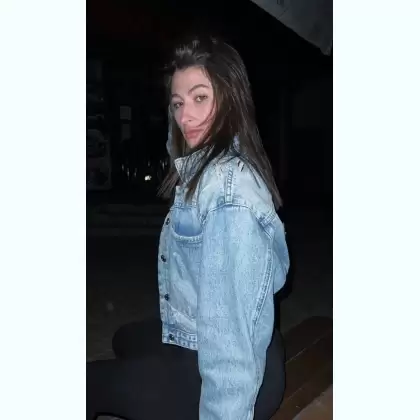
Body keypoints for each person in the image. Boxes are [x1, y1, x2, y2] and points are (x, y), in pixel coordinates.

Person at [87, 35, 290, 420]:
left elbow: (230, 344)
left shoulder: (229, 196)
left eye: (200, 98)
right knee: (125, 339)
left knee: (88, 384)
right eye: (178, 103)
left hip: (241, 378)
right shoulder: (212, 160)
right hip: (249, 345)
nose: (185, 117)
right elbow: (176, 139)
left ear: (230, 98)